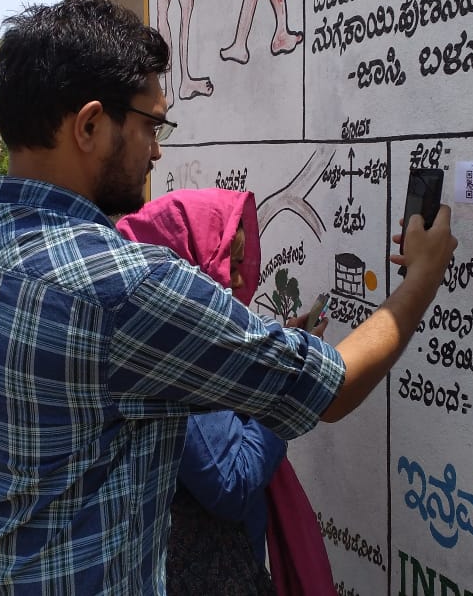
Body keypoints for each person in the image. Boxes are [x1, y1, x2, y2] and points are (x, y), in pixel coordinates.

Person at [0, 0, 457, 594]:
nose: (157, 151)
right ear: (89, 126)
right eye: (150, 126)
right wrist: (421, 278)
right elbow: (332, 386)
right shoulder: (124, 287)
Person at [117, 188, 337, 595]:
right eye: (224, 263)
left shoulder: (153, 326)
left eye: (239, 263)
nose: (237, 279)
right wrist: (281, 394)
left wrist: (276, 354)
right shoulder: (181, 353)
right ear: (186, 263)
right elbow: (232, 481)